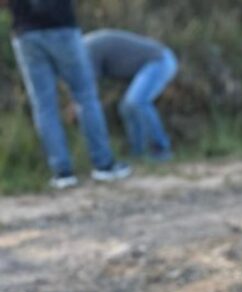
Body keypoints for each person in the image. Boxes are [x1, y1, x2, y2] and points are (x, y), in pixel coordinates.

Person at [1, 0, 132, 189]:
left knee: (43, 104)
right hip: (61, 27)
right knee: (85, 96)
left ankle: (62, 173)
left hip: (26, 33)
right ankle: (104, 165)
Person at [84, 30, 178, 161]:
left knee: (136, 102)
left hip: (159, 61)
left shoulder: (86, 51)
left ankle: (161, 149)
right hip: (154, 62)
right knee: (126, 107)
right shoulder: (86, 45)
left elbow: (87, 92)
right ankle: (138, 152)